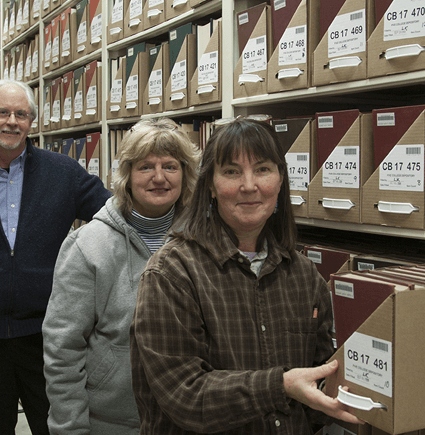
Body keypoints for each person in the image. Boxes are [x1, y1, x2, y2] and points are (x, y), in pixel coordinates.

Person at [130, 117, 362, 434]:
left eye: (263, 169)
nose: (249, 185)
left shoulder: (304, 274)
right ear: (210, 185)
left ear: (280, 180)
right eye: (232, 172)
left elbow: (321, 376)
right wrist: (280, 385)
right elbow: (185, 396)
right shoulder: (171, 272)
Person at [0, 79, 112, 435]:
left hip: (47, 336)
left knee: (55, 427)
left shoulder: (64, 173)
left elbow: (111, 214)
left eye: (22, 114)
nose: (12, 121)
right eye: (3, 112)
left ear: (32, 121)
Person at [42, 118, 200, 434]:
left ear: (185, 174)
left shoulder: (203, 240)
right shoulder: (87, 245)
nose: (159, 177)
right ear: (127, 176)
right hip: (114, 423)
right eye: (146, 167)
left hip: (192, 418)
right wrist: (69, 428)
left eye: (170, 166)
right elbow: (63, 350)